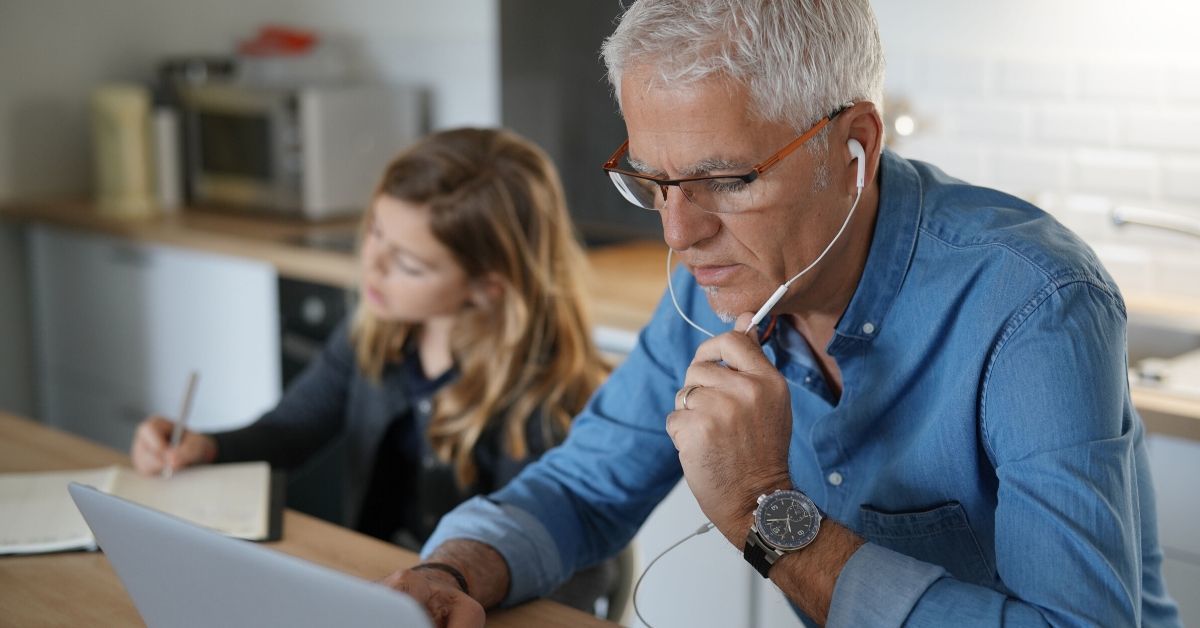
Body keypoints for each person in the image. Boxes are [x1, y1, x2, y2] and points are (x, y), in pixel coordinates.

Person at [382, 2, 1185, 627]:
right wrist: (449, 572)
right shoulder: (721, 276)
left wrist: (766, 512)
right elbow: (585, 490)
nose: (679, 234)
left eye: (726, 180)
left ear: (854, 147)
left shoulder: (1034, 307)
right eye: (652, 181)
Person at [129, 127, 615, 613]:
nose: (373, 266)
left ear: (487, 286)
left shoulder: (544, 397)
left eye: (407, 263)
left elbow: (545, 557)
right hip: (384, 592)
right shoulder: (378, 334)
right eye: (375, 233)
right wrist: (208, 446)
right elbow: (289, 430)